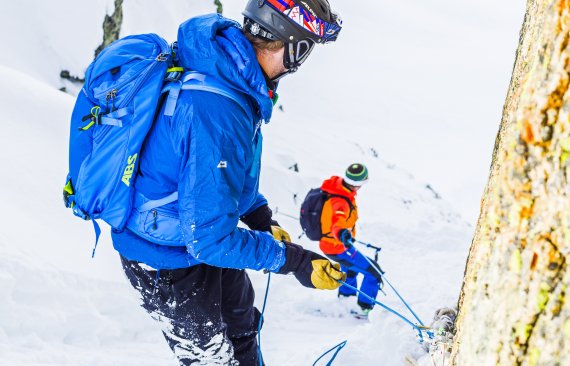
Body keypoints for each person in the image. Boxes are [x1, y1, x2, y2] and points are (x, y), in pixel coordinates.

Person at [110, 1, 345, 365]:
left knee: (242, 326)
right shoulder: (217, 108)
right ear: (294, 46)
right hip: (167, 257)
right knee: (214, 359)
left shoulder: (230, 76)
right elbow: (211, 239)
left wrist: (260, 218)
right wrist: (295, 261)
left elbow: (215, 179)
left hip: (192, 234)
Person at [318, 163, 384, 319]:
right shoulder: (340, 200)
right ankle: (364, 308)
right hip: (337, 246)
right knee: (374, 273)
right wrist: (342, 234)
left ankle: (346, 299)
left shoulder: (340, 190)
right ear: (358, 184)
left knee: (351, 268)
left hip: (335, 245)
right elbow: (337, 222)